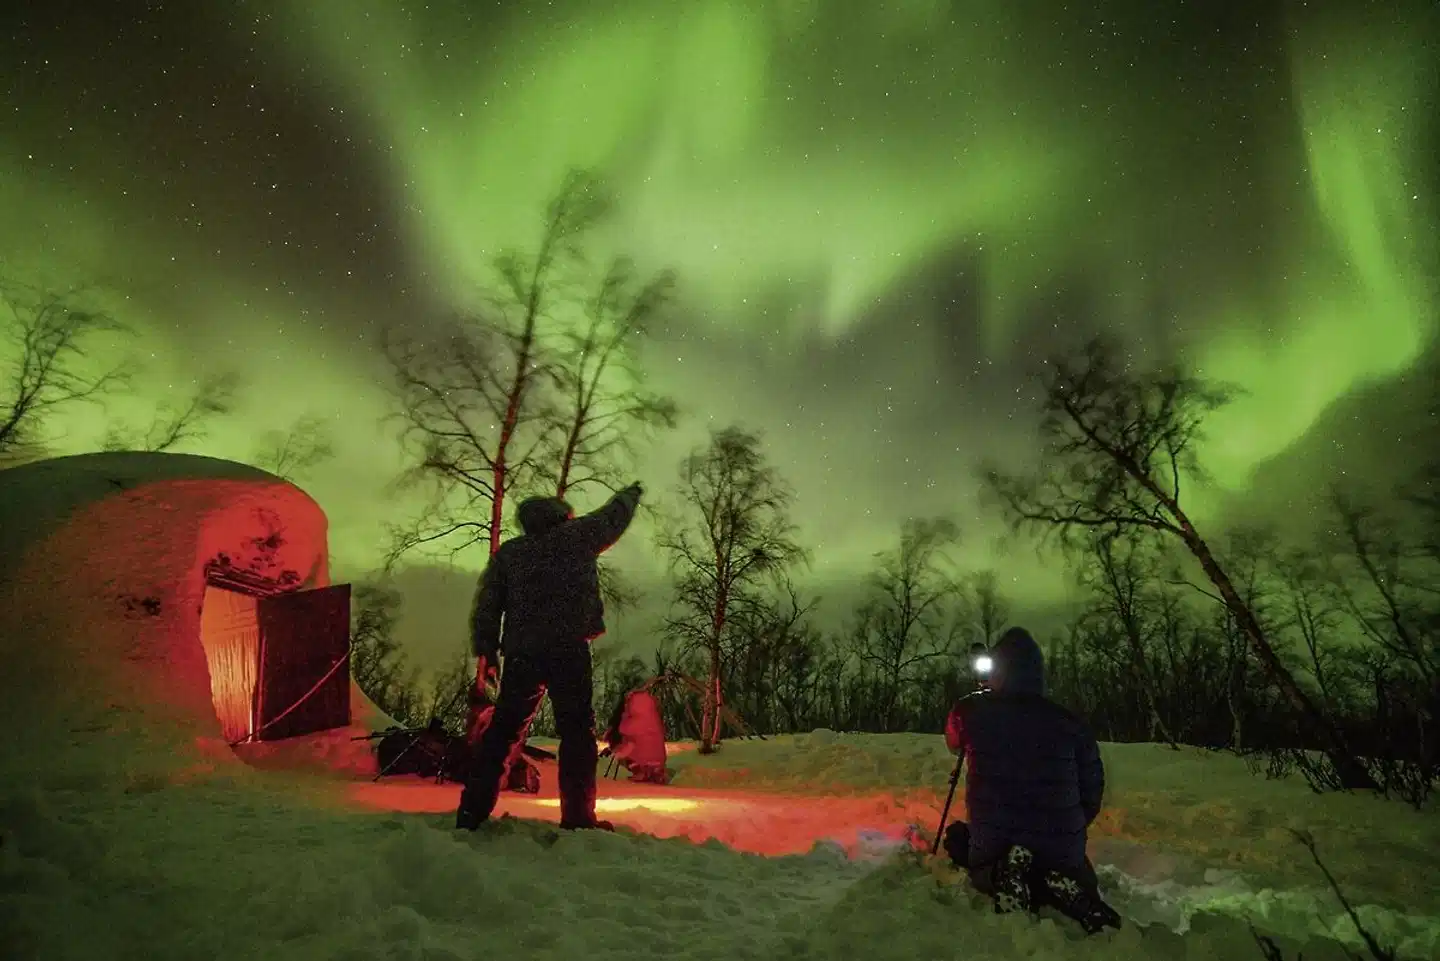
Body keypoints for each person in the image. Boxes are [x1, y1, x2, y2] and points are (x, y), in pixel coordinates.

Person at [455, 482, 644, 832]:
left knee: (503, 733)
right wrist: (630, 495)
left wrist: (487, 651)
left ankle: (472, 812)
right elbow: (612, 517)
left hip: (522, 654)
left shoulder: (510, 554)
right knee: (576, 733)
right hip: (568, 649)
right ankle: (578, 818)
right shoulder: (577, 536)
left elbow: (487, 607)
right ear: (561, 517)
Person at [942, 626, 1121, 934]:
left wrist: (981, 697)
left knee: (960, 841)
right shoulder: (1070, 723)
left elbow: (952, 742)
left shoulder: (971, 711)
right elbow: (1092, 790)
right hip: (1059, 842)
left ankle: (1001, 874)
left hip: (995, 841)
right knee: (1072, 865)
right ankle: (1062, 882)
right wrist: (1072, 823)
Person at [601, 688, 668, 784]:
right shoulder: (654, 718)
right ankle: (654, 772)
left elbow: (623, 729)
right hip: (659, 755)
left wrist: (624, 716)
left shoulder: (633, 720)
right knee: (645, 750)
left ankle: (640, 772)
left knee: (627, 751)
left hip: (641, 756)